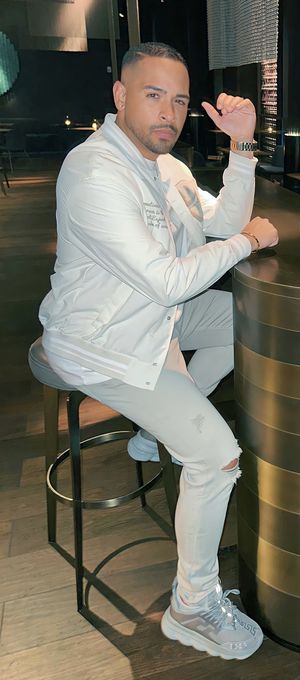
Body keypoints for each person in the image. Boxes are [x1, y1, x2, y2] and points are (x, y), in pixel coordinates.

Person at [38, 42, 278, 660]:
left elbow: (223, 221)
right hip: (103, 342)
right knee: (218, 457)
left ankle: (158, 428)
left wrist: (242, 147)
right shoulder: (94, 172)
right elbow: (171, 277)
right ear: (120, 96)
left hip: (155, 319)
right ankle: (190, 606)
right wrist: (249, 244)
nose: (168, 113)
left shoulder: (165, 166)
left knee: (249, 323)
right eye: (153, 96)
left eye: (178, 100)